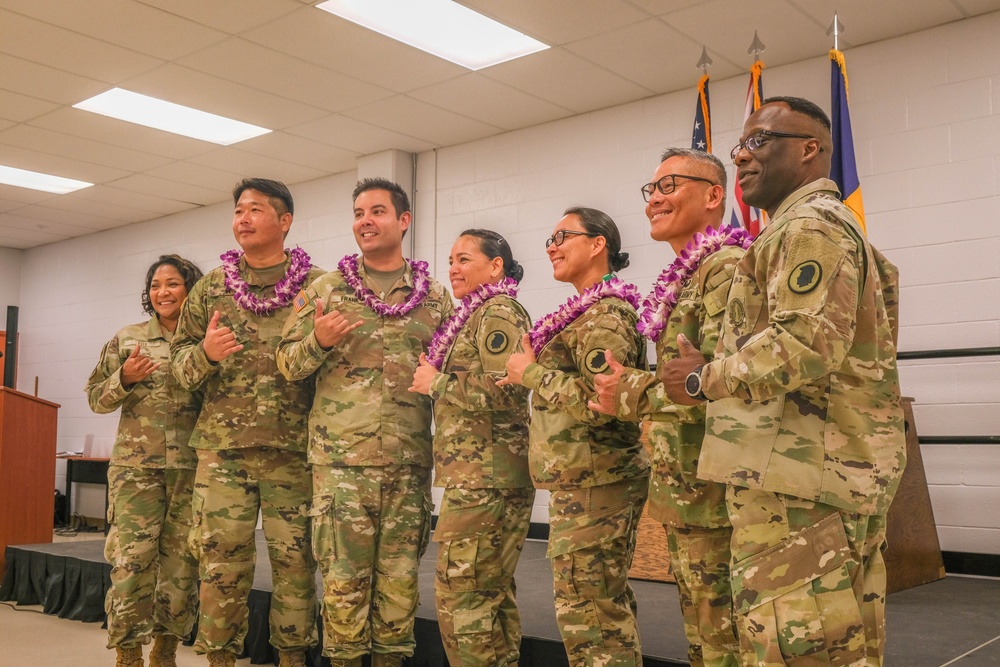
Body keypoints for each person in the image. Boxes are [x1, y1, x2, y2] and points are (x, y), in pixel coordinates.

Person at [660, 97, 905, 666]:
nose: (743, 157)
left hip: (801, 483)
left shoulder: (809, 227)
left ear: (809, 149)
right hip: (815, 473)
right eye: (739, 146)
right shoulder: (809, 229)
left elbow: (805, 343)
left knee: (796, 648)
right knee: (840, 647)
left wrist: (702, 379)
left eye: (759, 142)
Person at [276, 177, 453, 667]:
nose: (365, 221)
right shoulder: (325, 291)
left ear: (403, 220)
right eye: (358, 213)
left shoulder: (434, 298)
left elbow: (451, 377)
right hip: (341, 468)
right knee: (342, 587)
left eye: (377, 211)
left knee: (399, 589)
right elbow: (287, 365)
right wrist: (319, 341)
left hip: (407, 465)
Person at [589, 148, 748, 667]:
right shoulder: (691, 272)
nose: (654, 199)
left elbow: (727, 380)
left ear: (713, 195)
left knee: (724, 640)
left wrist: (631, 390)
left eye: (669, 185)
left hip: (719, 494)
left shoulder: (725, 268)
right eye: (650, 190)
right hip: (689, 488)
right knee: (705, 637)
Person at [171, 178, 325, 667]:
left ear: (284, 221)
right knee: (220, 567)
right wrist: (205, 354)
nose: (243, 218)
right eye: (238, 210)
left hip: (295, 453)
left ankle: (293, 659)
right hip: (223, 453)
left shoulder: (318, 285)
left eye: (255, 209)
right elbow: (179, 366)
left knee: (296, 567)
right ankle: (218, 659)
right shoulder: (210, 288)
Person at [500, 207, 649, 667]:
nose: (551, 245)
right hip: (586, 482)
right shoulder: (587, 312)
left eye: (562, 235)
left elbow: (602, 402)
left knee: (592, 617)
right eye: (549, 237)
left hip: (596, 483)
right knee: (597, 608)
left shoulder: (603, 318)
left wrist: (532, 374)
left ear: (598, 243)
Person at [408, 229, 534, 667]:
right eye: (450, 259)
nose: (453, 268)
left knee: (463, 598)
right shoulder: (475, 313)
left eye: (464, 259)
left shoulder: (498, 311)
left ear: (495, 266)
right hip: (479, 477)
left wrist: (437, 383)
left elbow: (509, 387)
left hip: (489, 479)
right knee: (487, 596)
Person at [86, 254, 204, 667]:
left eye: (172, 284)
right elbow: (95, 398)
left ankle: (166, 650)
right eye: (156, 285)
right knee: (131, 561)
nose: (163, 292)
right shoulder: (128, 338)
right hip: (137, 471)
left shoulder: (206, 341)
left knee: (181, 567)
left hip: (192, 471)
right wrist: (124, 379)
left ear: (191, 290)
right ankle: (128, 653)